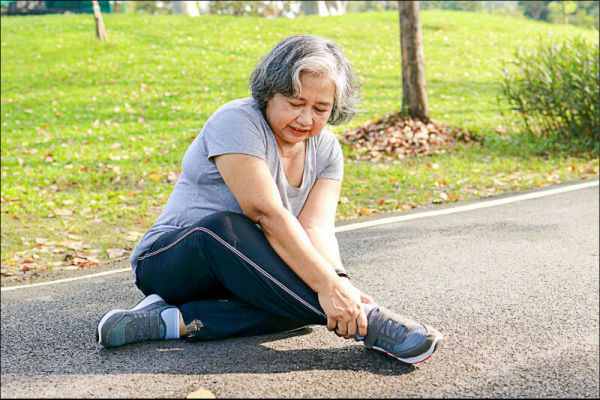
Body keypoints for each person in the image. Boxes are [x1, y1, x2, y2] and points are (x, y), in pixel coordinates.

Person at [96, 35, 443, 364]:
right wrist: (331, 292)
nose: (306, 119)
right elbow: (265, 212)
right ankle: (372, 323)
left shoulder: (327, 149)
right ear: (269, 93)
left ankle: (171, 322)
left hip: (247, 271)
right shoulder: (236, 120)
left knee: (297, 306)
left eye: (321, 109)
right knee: (226, 228)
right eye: (295, 103)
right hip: (176, 261)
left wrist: (339, 283)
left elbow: (316, 226)